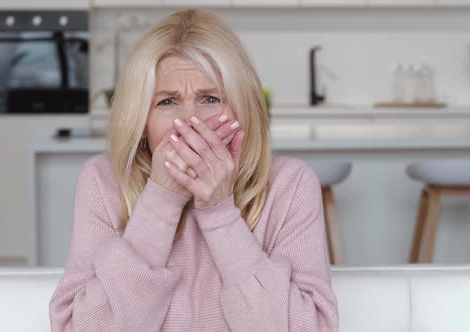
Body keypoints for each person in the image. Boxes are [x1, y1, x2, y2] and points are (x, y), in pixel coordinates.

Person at [49, 9, 338, 332]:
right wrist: (160, 200)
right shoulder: (103, 181)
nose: (189, 122)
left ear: (242, 110)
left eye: (211, 99)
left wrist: (220, 214)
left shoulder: (291, 184)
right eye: (167, 102)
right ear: (141, 121)